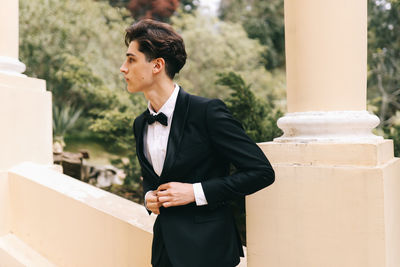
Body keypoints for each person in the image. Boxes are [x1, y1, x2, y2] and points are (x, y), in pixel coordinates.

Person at [120, 19, 275, 267]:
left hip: (209, 250)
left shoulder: (207, 112)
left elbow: (261, 172)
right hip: (164, 253)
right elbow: (152, 178)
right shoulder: (141, 123)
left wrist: (195, 192)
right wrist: (149, 196)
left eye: (131, 59)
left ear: (157, 65)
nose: (122, 68)